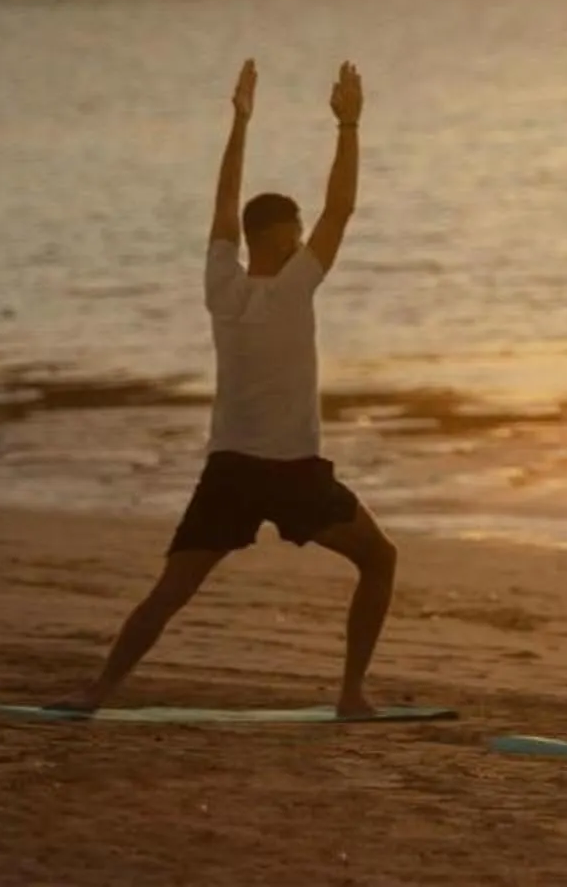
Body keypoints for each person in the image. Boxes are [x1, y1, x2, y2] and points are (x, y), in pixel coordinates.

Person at [59, 58, 399, 715]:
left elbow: (223, 205)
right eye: (297, 232)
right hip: (294, 473)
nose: (306, 238)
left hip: (230, 471)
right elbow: (344, 206)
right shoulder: (297, 286)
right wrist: (349, 122)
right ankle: (352, 693)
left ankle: (98, 692)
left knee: (172, 589)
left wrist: (240, 121)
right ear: (281, 238)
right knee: (380, 560)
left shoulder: (222, 286)